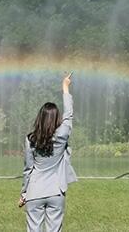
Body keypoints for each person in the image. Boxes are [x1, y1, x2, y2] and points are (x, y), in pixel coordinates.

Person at [18, 72, 77, 232]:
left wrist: (24, 193)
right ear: (56, 118)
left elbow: (28, 169)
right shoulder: (62, 135)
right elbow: (69, 114)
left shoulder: (30, 139)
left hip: (35, 191)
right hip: (56, 192)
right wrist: (65, 87)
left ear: (40, 118)